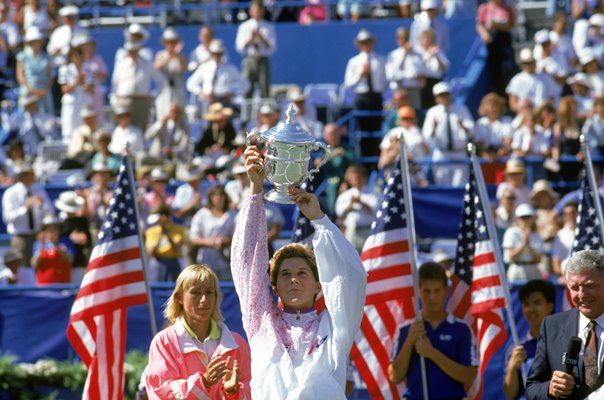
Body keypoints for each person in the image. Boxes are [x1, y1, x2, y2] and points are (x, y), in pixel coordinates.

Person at [230, 145, 367, 398]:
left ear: (318, 285)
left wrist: (320, 220)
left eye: (303, 273)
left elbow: (352, 277)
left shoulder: (335, 325)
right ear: (274, 287)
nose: (293, 279)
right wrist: (256, 190)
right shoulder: (261, 322)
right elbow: (246, 262)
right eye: (285, 275)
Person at [145, 264, 251, 399]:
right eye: (195, 293)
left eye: (209, 292)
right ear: (179, 297)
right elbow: (159, 393)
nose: (204, 300)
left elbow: (255, 390)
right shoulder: (164, 342)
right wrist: (203, 382)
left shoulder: (237, 343)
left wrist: (232, 392)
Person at [388, 261, 478, 399]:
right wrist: (410, 340)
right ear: (418, 291)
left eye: (437, 290)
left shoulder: (462, 329)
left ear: (445, 291)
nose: (432, 297)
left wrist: (432, 353)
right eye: (426, 291)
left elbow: (469, 377)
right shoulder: (406, 329)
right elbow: (395, 376)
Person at [525, 249, 604, 399]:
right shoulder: (552, 326)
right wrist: (550, 388)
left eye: (589, 286)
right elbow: (532, 388)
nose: (581, 294)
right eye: (574, 288)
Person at [503, 279, 556, 400]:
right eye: (526, 304)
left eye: (537, 303)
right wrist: (512, 366)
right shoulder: (516, 348)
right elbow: (510, 395)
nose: (531, 309)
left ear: (550, 306)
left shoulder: (563, 341)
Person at [2, 163, 54, 266]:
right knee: (22, 269)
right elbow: (7, 218)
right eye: (28, 174)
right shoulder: (11, 193)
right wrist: (25, 209)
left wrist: (41, 206)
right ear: (22, 176)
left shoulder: (39, 191)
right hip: (20, 239)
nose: (32, 177)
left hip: (38, 237)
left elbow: (50, 212)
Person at [190, 185, 236, 281]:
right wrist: (211, 242)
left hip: (226, 258)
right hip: (206, 258)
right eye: (215, 195)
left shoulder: (232, 214)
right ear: (210, 198)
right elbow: (193, 239)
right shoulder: (202, 214)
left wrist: (223, 241)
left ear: (225, 197)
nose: (218, 198)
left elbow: (238, 237)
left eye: (221, 195)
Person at [235, 0, 277, 99]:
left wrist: (261, 38)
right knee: (247, 87)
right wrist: (250, 39)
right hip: (249, 59)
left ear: (263, 11)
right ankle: (248, 113)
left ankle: (265, 112)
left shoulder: (269, 27)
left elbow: (272, 48)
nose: (257, 12)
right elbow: (239, 47)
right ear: (250, 11)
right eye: (255, 10)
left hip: (263, 59)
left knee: (264, 88)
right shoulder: (244, 27)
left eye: (259, 10)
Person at [503, 203, 546, 283]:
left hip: (533, 269)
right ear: (518, 219)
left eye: (528, 217)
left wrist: (528, 245)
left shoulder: (537, 235)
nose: (526, 220)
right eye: (523, 217)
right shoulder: (511, 232)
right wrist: (524, 243)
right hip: (517, 269)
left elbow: (539, 259)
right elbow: (511, 256)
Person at [144, 204, 187, 282]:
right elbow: (150, 252)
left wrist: (167, 234)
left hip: (173, 263)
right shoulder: (151, 231)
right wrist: (159, 236)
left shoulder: (179, 229)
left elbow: (176, 247)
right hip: (157, 263)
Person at [31, 214, 74, 285]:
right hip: (45, 288)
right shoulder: (39, 244)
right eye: (49, 228)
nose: (52, 231)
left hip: (63, 286)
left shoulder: (66, 242)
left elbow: (70, 260)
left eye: (55, 228)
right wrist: (42, 246)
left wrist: (58, 248)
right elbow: (34, 264)